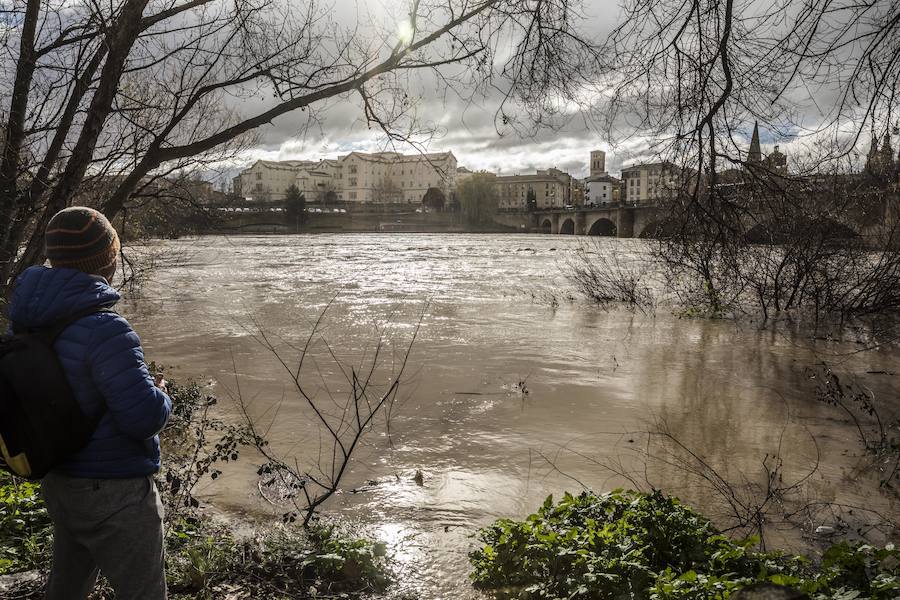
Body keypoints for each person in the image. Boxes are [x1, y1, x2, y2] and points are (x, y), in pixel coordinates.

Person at [7, 206, 172, 600]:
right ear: (107, 260)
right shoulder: (107, 329)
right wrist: (163, 392)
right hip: (114, 494)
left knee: (67, 587)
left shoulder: (27, 320)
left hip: (60, 482)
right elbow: (141, 417)